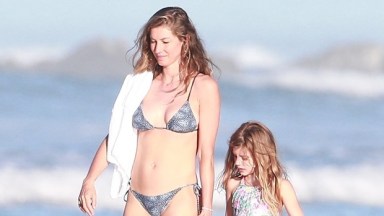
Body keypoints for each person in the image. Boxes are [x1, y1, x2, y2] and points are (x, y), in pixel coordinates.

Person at [77, 6, 220, 216]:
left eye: (165, 42)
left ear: (185, 41)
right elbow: (116, 136)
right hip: (137, 197)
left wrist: (207, 208)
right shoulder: (141, 84)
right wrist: (89, 180)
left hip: (180, 196)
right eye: (153, 41)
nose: (157, 48)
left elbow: (206, 155)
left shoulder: (203, 87)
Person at [218, 121, 303, 216]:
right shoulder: (234, 185)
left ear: (260, 156)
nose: (237, 162)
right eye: (235, 156)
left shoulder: (279, 186)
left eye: (244, 158)